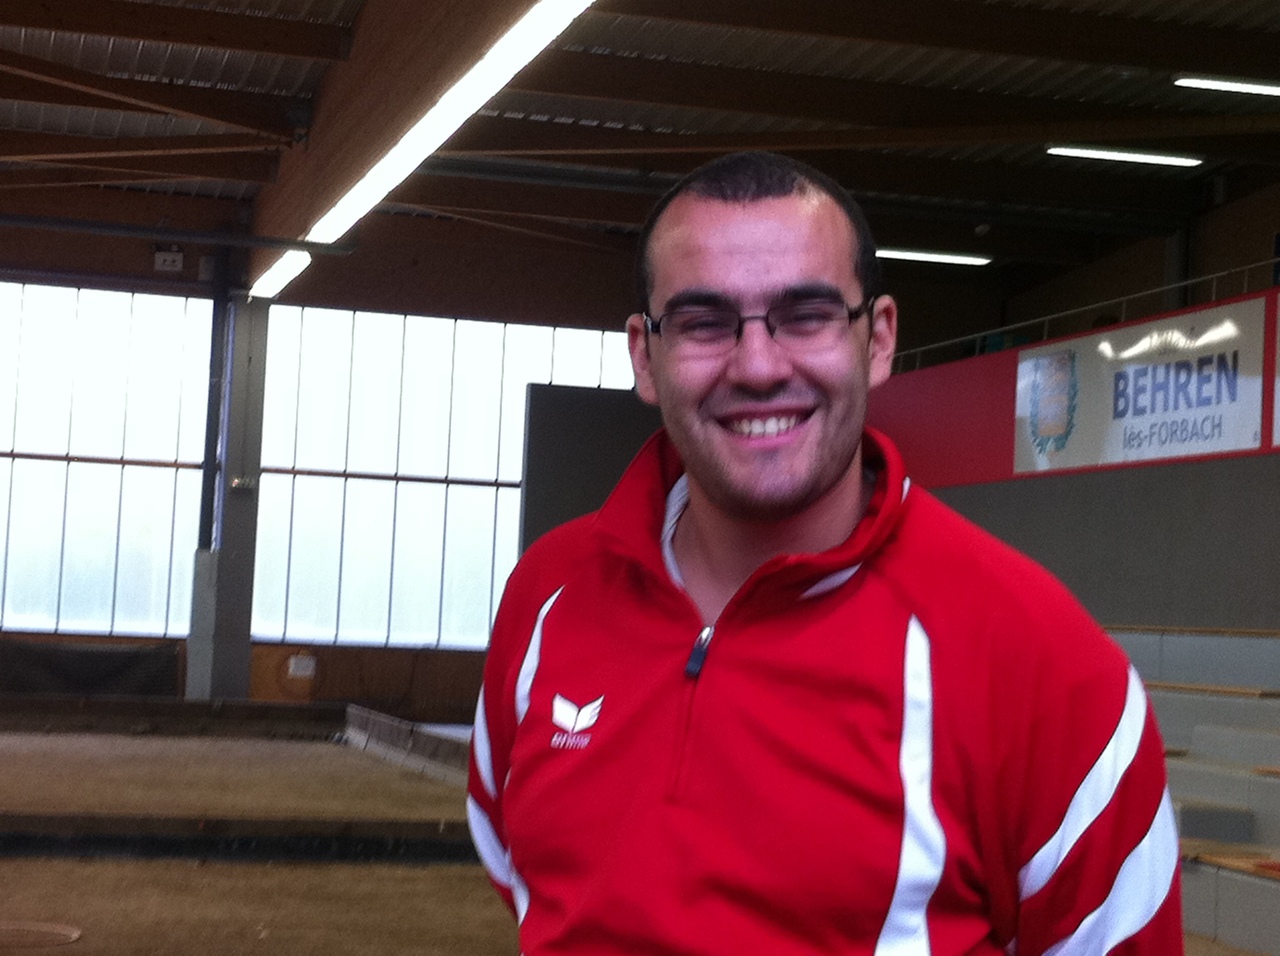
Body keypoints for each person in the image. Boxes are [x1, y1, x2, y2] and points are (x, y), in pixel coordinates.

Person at [468, 151, 1182, 955]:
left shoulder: (1044, 664)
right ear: (644, 355)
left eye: (806, 315)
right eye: (703, 322)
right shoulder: (548, 596)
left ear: (878, 339)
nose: (758, 367)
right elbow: (528, 873)